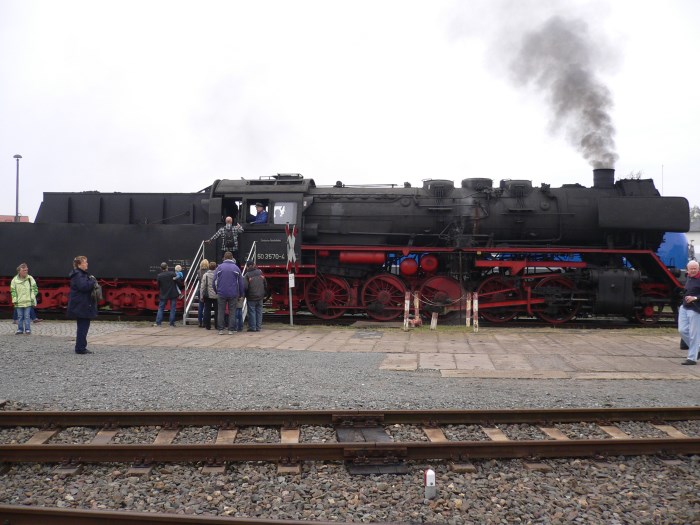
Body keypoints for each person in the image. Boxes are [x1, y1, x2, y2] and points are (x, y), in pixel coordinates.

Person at [66, 256, 98, 354]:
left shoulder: (79, 274)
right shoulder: (78, 275)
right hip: (82, 304)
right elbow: (83, 287)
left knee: (83, 326)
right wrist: (92, 281)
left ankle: (81, 346)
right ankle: (80, 348)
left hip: (82, 304)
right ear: (79, 265)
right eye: (85, 262)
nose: (87, 264)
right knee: (83, 327)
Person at [214, 251, 244, 335]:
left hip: (221, 293)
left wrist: (217, 291)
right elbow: (240, 283)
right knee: (232, 311)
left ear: (224, 257)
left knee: (221, 311)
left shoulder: (219, 268)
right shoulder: (236, 268)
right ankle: (231, 330)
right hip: (233, 293)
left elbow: (214, 281)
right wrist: (241, 294)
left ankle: (220, 329)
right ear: (232, 258)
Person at [679, 260, 700, 365]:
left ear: (698, 269)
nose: (693, 270)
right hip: (684, 306)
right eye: (691, 268)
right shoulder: (688, 277)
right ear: (687, 270)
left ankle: (692, 358)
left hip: (695, 308)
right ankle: (698, 348)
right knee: (682, 330)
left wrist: (695, 298)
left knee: (694, 334)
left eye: (695, 268)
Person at [10, 263, 38, 335]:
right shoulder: (14, 280)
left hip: (28, 301)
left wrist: (32, 297)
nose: (26, 272)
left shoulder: (30, 278)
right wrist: (14, 299)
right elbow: (13, 290)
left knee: (27, 316)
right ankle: (20, 329)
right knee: (20, 316)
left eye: (26, 270)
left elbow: (35, 288)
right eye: (24, 270)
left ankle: (28, 330)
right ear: (19, 271)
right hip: (19, 301)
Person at [244, 259, 267, 332]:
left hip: (251, 296)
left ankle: (252, 327)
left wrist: (245, 295)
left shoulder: (247, 275)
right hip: (260, 296)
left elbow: (245, 287)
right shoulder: (260, 272)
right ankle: (258, 327)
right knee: (259, 312)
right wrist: (264, 292)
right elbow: (265, 283)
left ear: (248, 266)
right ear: (253, 265)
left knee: (252, 312)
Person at [154, 262, 179, 327]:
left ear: (161, 268)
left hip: (164, 294)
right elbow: (178, 281)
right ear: (167, 267)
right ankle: (171, 324)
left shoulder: (159, 276)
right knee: (173, 308)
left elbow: (158, 286)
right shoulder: (172, 273)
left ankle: (158, 323)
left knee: (161, 308)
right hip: (173, 293)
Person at [200, 261, 219, 330]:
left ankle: (207, 326)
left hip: (208, 295)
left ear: (209, 267)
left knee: (207, 310)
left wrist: (201, 296)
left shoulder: (205, 275)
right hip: (216, 295)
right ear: (215, 267)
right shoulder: (218, 275)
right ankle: (217, 325)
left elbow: (202, 286)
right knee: (217, 311)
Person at [197, 258, 209, 327]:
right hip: (206, 290)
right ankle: (205, 322)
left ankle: (199, 322)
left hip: (200, 289)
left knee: (200, 306)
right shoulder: (208, 271)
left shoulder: (198, 271)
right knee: (206, 307)